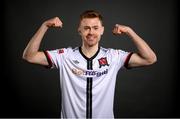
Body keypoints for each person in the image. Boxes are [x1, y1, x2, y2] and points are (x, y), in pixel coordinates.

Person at [22, 10, 157, 118]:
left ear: (102, 30)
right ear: (79, 30)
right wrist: (44, 25)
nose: (91, 32)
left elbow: (150, 58)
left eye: (95, 28)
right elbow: (29, 56)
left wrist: (129, 31)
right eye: (86, 28)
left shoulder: (113, 57)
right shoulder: (65, 56)